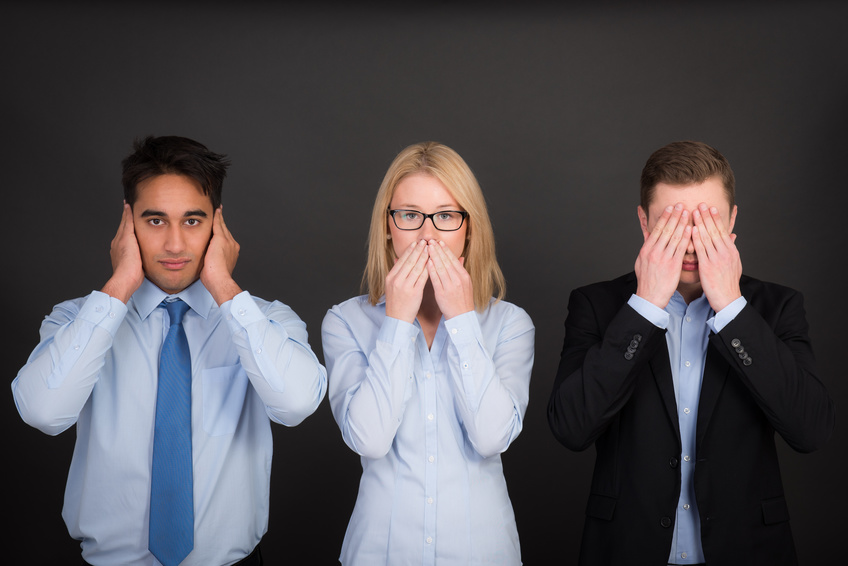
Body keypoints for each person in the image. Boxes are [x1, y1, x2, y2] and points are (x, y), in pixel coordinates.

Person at [12, 136, 327, 566]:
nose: (175, 245)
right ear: (128, 223)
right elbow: (43, 413)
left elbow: (296, 404)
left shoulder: (265, 320)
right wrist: (118, 287)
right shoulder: (77, 320)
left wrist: (225, 288)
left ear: (218, 225)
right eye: (156, 221)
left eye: (193, 221)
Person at [547, 140, 834, 566]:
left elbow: (810, 430)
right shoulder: (596, 305)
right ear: (644, 223)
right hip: (627, 549)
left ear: (732, 220)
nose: (690, 243)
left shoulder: (778, 307)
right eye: (672, 223)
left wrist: (732, 308)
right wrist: (645, 307)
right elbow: (571, 428)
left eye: (707, 222)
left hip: (748, 550)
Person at [321, 141, 534, 565]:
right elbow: (369, 440)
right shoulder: (345, 321)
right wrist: (397, 322)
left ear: (469, 228)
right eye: (410, 215)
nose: (428, 235)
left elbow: (492, 438)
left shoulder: (510, 324)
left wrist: (462, 321)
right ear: (388, 226)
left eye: (446, 216)